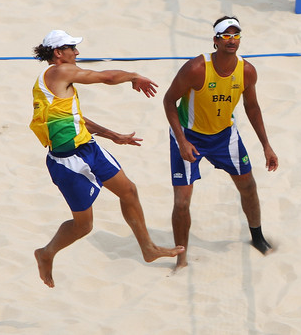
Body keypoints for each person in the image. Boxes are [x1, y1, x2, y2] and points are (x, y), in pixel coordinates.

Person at [30, 30, 184, 287]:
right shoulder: (58, 72)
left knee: (129, 191)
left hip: (89, 148)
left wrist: (112, 135)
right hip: (68, 162)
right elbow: (106, 77)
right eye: (72, 48)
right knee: (83, 227)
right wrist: (134, 76)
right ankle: (46, 253)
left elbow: (74, 118)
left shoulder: (58, 82)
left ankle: (147, 248)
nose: (77, 53)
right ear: (58, 53)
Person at [163, 16, 278, 270]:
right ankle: (181, 258)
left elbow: (253, 107)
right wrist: (181, 141)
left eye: (236, 35)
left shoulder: (246, 71)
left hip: (224, 136)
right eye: (226, 35)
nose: (232, 40)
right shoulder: (196, 68)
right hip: (188, 136)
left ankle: (257, 238)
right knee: (182, 202)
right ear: (215, 40)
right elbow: (168, 101)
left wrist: (266, 146)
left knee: (248, 186)